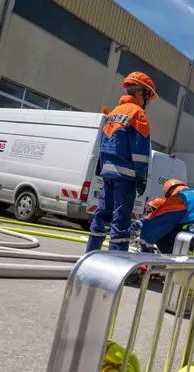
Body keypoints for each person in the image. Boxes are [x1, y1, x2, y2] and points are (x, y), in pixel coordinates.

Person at [86, 72, 157, 253]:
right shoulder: (138, 114)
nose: (147, 102)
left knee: (101, 215)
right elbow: (139, 150)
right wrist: (141, 175)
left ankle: (91, 255)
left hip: (108, 173)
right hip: (126, 176)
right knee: (121, 220)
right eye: (147, 97)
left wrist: (103, 168)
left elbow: (103, 144)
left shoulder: (114, 113)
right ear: (141, 93)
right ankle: (116, 263)